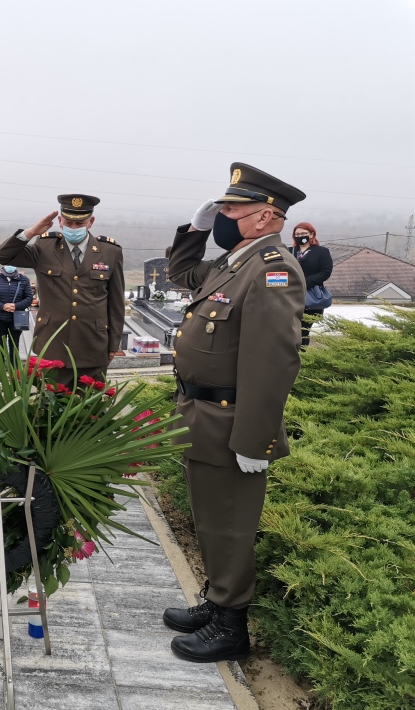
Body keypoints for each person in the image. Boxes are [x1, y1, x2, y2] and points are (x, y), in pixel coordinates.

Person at [162, 162, 306, 663]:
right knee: (211, 520)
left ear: (265, 216)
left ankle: (231, 626)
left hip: (232, 423)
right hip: (202, 417)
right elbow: (181, 274)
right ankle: (217, 599)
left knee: (230, 524)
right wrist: (196, 230)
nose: (223, 216)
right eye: (221, 209)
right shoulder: (233, 262)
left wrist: (255, 439)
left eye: (231, 210)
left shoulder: (271, 270)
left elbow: (273, 362)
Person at [0, 194, 125, 387]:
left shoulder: (110, 251)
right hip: (52, 344)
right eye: (69, 222)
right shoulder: (45, 246)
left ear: (91, 222)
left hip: (93, 344)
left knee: (91, 403)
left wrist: (113, 344)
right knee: (51, 403)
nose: (74, 228)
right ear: (60, 221)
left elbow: (116, 303)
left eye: (80, 223)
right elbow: (2, 256)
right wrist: (30, 233)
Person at [291, 222, 333, 347]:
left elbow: (325, 272)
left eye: (303, 233)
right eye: (297, 234)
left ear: (311, 234)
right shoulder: (289, 251)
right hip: (290, 296)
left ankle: (303, 355)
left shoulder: (322, 252)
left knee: (303, 331)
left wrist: (304, 283)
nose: (300, 236)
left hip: (310, 297)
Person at [0, 264, 34, 360]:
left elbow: (29, 298)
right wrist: (2, 306)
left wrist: (16, 306)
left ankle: (14, 367)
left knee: (14, 345)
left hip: (17, 319)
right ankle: (0, 368)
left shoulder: (24, 280)